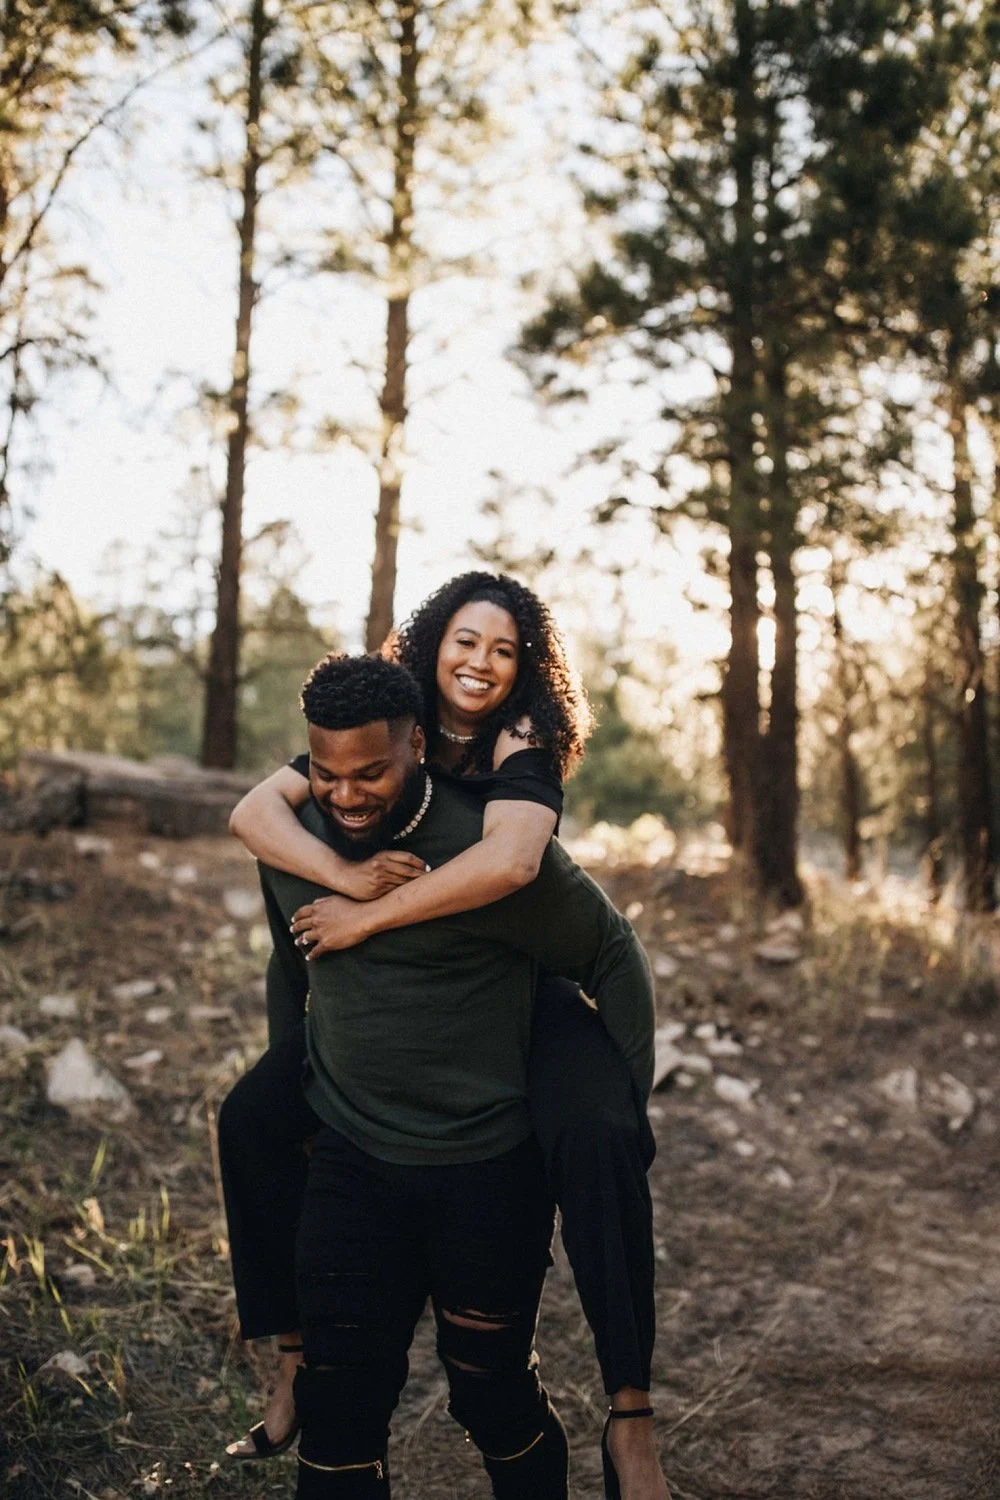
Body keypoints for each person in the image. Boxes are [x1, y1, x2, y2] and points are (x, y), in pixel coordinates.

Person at [222, 574, 669, 1500]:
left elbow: (512, 866)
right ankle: (293, 1359)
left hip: (516, 983)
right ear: (427, 649)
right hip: (364, 1121)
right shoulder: (363, 725)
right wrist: (341, 886)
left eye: (503, 650)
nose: (481, 663)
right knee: (252, 1117)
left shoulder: (522, 737)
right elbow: (263, 849)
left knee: (598, 1140)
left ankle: (631, 1414)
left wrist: (633, 1097)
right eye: (466, 642)